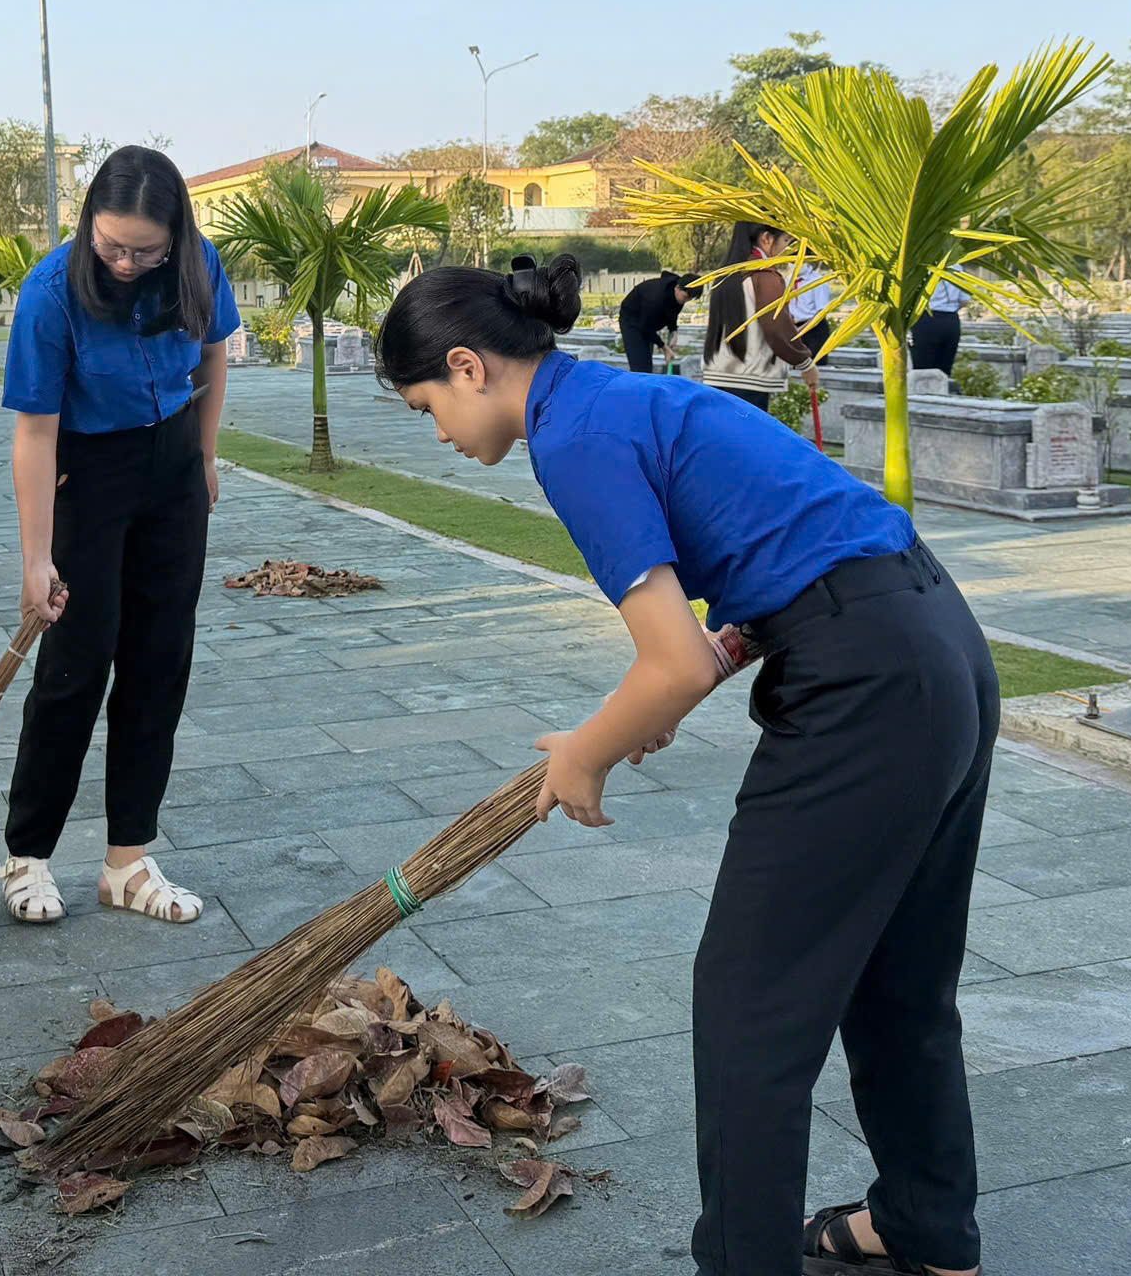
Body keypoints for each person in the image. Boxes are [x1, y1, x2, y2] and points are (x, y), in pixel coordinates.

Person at [377, 255, 993, 1276]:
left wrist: (586, 752)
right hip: (936, 647)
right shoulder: (624, 397)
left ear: (467, 366)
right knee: (897, 981)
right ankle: (929, 1226)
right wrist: (661, 697)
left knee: (750, 1007)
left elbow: (665, 659)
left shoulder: (572, 439)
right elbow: (763, 575)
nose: (436, 429)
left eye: (424, 404)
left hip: (866, 690)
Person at [0, 146, 239, 928]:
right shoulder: (50, 294)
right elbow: (35, 432)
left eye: (145, 249)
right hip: (87, 477)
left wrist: (202, 454)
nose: (128, 262)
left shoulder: (197, 263)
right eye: (112, 245)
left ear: (175, 235)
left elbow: (211, 356)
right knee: (75, 666)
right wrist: (38, 559)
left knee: (159, 663)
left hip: (171, 467)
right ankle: (26, 855)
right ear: (87, 225)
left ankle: (127, 862)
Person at [700, 220, 824, 411]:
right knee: (746, 440)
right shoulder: (764, 275)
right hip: (750, 378)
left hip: (718, 374)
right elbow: (777, 327)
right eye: (786, 241)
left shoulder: (725, 274)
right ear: (766, 238)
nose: (786, 249)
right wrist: (806, 364)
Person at [619, 268, 700, 373]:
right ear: (677, 288)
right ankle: (638, 386)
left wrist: (674, 331)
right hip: (632, 320)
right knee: (640, 365)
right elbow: (646, 326)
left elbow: (672, 312)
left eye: (689, 299)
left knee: (646, 362)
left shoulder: (679, 291)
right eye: (685, 297)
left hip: (647, 321)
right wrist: (664, 348)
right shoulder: (655, 298)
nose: (685, 301)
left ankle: (645, 382)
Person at [909, 278, 973, 378]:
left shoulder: (923, 267)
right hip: (950, 320)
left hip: (926, 318)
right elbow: (965, 300)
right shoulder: (957, 268)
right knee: (944, 370)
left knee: (922, 369)